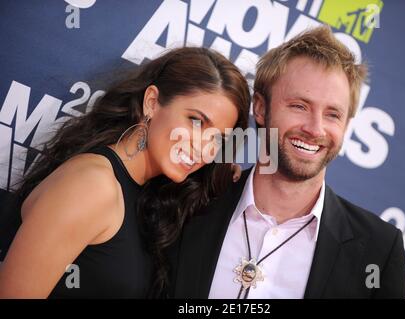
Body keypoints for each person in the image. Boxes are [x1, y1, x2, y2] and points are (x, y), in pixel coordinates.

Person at [167, 26, 405, 299]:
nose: (315, 129)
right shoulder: (189, 202)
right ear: (260, 107)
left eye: (332, 115)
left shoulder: (378, 250)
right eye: (299, 106)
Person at [0, 47, 250, 298]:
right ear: (152, 103)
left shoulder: (150, 197)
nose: (203, 148)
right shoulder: (93, 184)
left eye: (217, 139)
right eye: (196, 121)